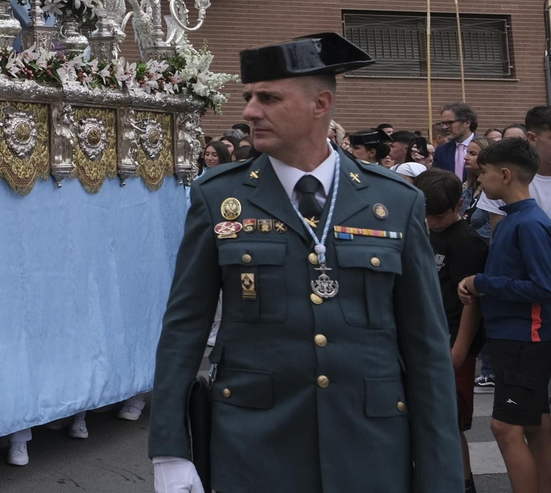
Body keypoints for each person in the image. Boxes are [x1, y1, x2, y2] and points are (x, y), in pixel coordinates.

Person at [148, 32, 461, 493]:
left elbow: (427, 348)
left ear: (321, 104)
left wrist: (440, 473)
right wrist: (169, 449)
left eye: (269, 98)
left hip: (369, 449)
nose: (251, 111)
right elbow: (184, 327)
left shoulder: (394, 201)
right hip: (256, 448)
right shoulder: (220, 196)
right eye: (249, 97)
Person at [459, 138, 551, 493]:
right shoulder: (517, 219)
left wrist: (484, 283)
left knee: (505, 428)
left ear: (506, 174)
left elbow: (544, 287)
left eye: (484, 172)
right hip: (514, 336)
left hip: (524, 337)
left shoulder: (528, 223)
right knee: (534, 424)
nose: (480, 180)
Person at [413, 169, 489, 493]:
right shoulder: (423, 231)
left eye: (439, 216)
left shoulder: (468, 242)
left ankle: (464, 482)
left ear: (459, 204)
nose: (432, 221)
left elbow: (471, 303)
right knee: (426, 418)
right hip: (425, 335)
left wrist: (458, 352)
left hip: (454, 340)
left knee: (451, 420)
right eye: (427, 214)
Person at [435, 103, 478, 179]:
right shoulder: (441, 151)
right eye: (443, 123)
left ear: (467, 123)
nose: (445, 127)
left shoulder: (485, 147)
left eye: (449, 123)